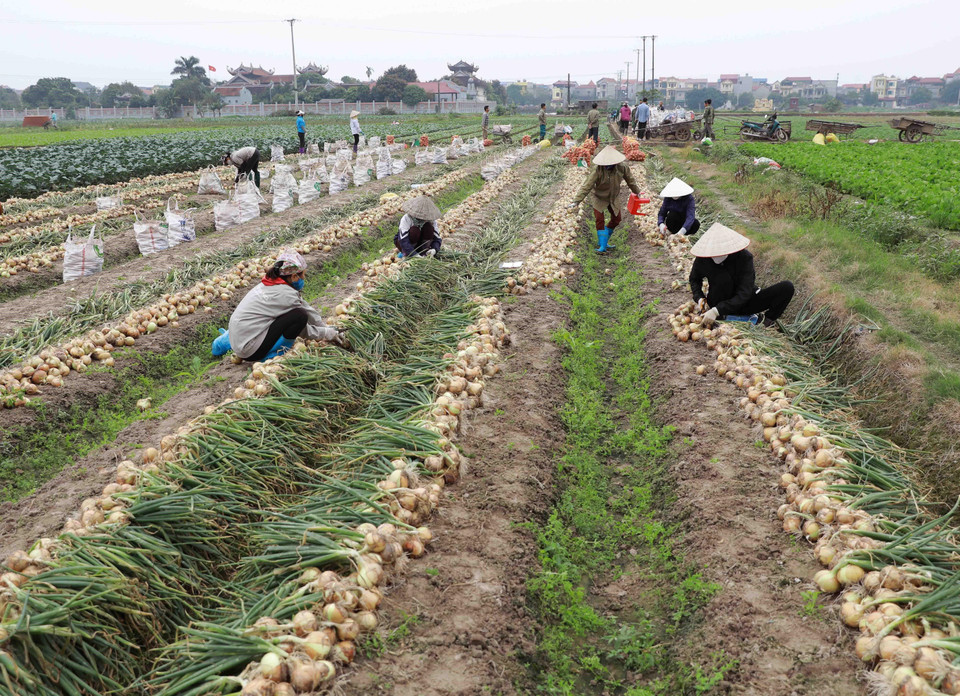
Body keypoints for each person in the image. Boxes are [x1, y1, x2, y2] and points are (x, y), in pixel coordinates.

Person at [212, 250, 345, 361]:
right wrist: (326, 333)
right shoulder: (286, 295)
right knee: (299, 316)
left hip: (240, 339)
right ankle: (275, 354)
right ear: (294, 277)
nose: (304, 278)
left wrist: (324, 327)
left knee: (296, 313)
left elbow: (305, 306)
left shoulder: (269, 284)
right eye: (303, 275)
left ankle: (225, 343)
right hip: (251, 351)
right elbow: (303, 326)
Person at [689, 223, 795, 328]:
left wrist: (717, 311)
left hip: (745, 303)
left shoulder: (744, 258)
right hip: (718, 301)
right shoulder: (703, 258)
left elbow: (745, 292)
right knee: (722, 281)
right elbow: (694, 279)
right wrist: (700, 298)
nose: (715, 256)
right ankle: (724, 316)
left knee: (787, 287)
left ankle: (765, 323)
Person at [569, 145, 643, 253]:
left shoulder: (622, 167)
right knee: (600, 220)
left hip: (614, 197)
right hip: (599, 197)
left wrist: (637, 192)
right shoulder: (598, 170)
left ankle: (604, 240)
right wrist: (576, 201)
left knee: (617, 219)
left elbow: (630, 181)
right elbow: (587, 185)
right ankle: (602, 245)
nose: (608, 165)